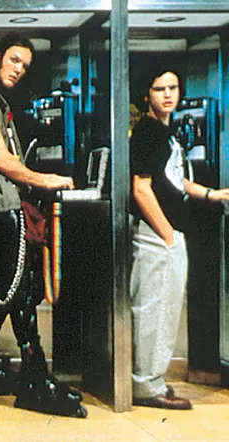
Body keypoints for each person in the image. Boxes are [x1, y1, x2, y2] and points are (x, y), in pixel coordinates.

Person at [0, 33, 86, 417]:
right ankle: (33, 378)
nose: (18, 70)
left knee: (7, 293)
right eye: (14, 60)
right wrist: (45, 179)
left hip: (3, 202)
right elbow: (1, 160)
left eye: (25, 65)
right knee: (16, 290)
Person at [129, 67, 229, 410]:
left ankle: (152, 379)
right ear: (147, 94)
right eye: (160, 88)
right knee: (154, 311)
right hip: (158, 234)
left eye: (173, 87)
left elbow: (174, 179)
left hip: (167, 233)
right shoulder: (148, 132)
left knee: (165, 310)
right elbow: (141, 188)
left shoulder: (165, 132)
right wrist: (168, 235)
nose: (168, 94)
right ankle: (145, 385)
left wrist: (211, 193)